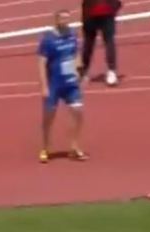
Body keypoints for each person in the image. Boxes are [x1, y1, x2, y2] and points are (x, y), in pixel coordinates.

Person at [37, 9, 87, 163]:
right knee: (48, 117)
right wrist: (44, 86)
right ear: (56, 20)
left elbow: (76, 54)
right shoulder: (48, 40)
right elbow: (41, 63)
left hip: (70, 83)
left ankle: (74, 146)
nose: (66, 21)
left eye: (68, 19)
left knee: (78, 112)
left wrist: (80, 72)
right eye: (63, 19)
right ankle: (46, 147)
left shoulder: (72, 35)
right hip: (54, 84)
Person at [80, 0, 122, 86]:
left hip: (95, 11)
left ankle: (84, 72)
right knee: (107, 42)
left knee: (89, 43)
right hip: (101, 11)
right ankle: (111, 71)